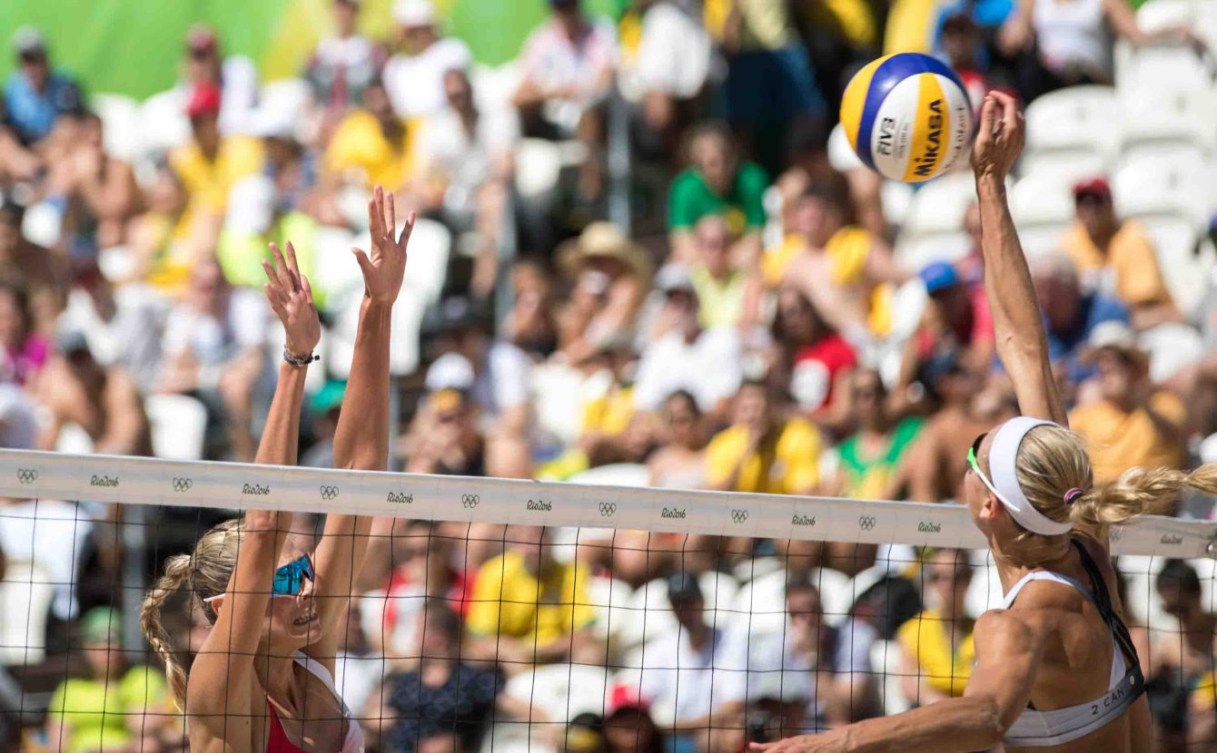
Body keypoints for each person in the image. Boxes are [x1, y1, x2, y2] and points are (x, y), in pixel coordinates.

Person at [753, 90, 1209, 753]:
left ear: (990, 506)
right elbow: (1024, 346)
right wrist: (988, 181)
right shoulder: (1079, 539)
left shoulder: (1018, 619)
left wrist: (825, 743)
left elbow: (983, 716)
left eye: (976, 453)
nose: (968, 452)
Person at [140, 188, 414, 753]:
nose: (310, 587)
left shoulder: (307, 658)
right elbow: (264, 524)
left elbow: (362, 476)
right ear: (226, 608)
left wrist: (377, 308)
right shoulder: (218, 692)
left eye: (304, 571)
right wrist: (295, 360)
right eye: (290, 579)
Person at [717, 578, 878, 734]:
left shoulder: (854, 637)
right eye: (798, 614)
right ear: (789, 616)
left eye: (813, 610)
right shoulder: (779, 647)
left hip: (845, 731)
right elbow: (764, 705)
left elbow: (842, 713)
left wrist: (812, 658)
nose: (807, 620)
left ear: (823, 610)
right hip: (795, 731)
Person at [411, 69, 517, 298]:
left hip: (490, 197)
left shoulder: (498, 116)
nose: (458, 100)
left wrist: (482, 187)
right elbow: (424, 176)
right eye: (452, 95)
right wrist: (434, 189)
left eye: (461, 93)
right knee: (410, 203)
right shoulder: (437, 125)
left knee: (493, 199)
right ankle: (419, 289)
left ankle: (483, 288)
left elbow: (505, 167)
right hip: (453, 198)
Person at [513, 0, 615, 205]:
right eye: (560, 7)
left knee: (588, 114)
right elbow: (520, 94)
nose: (565, 13)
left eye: (568, 6)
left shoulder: (601, 32)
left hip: (596, 117)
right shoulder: (542, 40)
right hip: (552, 121)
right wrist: (557, 92)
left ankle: (591, 186)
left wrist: (570, 92)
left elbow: (605, 79)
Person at [464, 525, 600, 673]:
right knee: (509, 657)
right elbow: (481, 637)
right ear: (516, 544)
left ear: (552, 540)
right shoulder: (494, 573)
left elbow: (585, 632)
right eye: (529, 542)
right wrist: (515, 651)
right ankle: (522, 694)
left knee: (591, 651)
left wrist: (538, 650)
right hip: (513, 656)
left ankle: (577, 694)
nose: (536, 549)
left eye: (541, 539)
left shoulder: (572, 572)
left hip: (557, 653)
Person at [1068, 322, 1186, 486]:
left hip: (1156, 505)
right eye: (1100, 361)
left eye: (1117, 359)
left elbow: (1174, 435)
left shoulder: (1164, 404)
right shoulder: (1084, 416)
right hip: (1104, 503)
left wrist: (1140, 400)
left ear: (1135, 367)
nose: (1106, 366)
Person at [1060, 177, 1181, 331]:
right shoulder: (1069, 243)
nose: (1090, 211)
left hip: (1140, 324)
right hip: (1096, 326)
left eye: (1097, 203)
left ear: (1110, 205)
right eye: (1083, 203)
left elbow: (1142, 304)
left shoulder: (1133, 238)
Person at [45, 607, 173, 753]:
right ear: (86, 647)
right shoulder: (70, 689)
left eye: (114, 639)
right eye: (98, 641)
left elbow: (142, 725)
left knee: (148, 742)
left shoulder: (141, 678)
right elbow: (57, 744)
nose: (108, 648)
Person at [632, 264, 743, 420]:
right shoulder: (659, 350)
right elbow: (643, 407)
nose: (680, 307)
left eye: (685, 299)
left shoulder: (723, 340)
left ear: (697, 301)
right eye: (673, 301)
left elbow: (724, 404)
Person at [636, 573, 730, 750]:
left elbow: (735, 707)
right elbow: (644, 700)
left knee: (712, 737)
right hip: (665, 736)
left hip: (709, 734)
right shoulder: (658, 648)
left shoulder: (731, 641)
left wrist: (678, 727)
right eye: (677, 603)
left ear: (702, 600)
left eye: (689, 601)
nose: (684, 609)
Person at [32, 330, 152, 457]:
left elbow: (125, 442)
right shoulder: (67, 396)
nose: (80, 366)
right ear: (64, 365)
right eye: (73, 360)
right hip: (100, 467)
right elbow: (46, 445)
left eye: (82, 357)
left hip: (139, 467)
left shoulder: (119, 386)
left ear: (92, 356)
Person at [667, 124, 768, 266]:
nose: (718, 169)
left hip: (742, 264)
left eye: (723, 160)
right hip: (700, 266)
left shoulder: (751, 182)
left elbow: (756, 238)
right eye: (708, 163)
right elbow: (682, 243)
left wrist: (723, 261)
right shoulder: (684, 188)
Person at [1143, 560, 1217, 750]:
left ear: (1198, 594)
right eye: (1169, 610)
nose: (1177, 616)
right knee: (1151, 727)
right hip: (1178, 716)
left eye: (1181, 608)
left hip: (1205, 717)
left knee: (1204, 730)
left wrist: (1198, 668)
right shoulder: (1168, 643)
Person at [705, 380, 822, 497]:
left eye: (758, 408)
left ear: (772, 408)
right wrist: (745, 454)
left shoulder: (798, 436)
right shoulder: (723, 443)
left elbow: (806, 494)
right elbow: (716, 496)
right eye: (745, 409)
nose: (752, 416)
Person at [895, 549, 977, 706]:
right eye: (939, 577)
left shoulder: (984, 629)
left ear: (969, 579)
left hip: (972, 711)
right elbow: (908, 685)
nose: (948, 585)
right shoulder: (914, 629)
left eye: (957, 576)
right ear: (931, 581)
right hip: (930, 711)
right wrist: (942, 705)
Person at [382, 0, 472, 119]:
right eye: (409, 32)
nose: (414, 37)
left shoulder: (452, 52)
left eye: (417, 30)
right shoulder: (394, 67)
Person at [306, 0, 386, 133]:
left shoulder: (371, 51)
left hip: (361, 124)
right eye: (339, 8)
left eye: (348, 8)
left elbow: (379, 93)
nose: (343, 14)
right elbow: (310, 94)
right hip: (326, 127)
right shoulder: (319, 53)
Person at [2, 27, 84, 147]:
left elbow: (70, 126)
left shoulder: (65, 86)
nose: (31, 66)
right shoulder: (12, 89)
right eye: (26, 60)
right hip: (24, 154)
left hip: (58, 149)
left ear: (46, 58)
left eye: (35, 58)